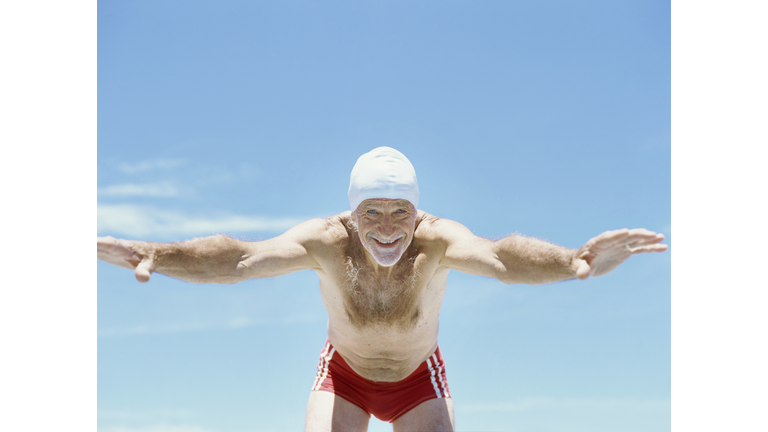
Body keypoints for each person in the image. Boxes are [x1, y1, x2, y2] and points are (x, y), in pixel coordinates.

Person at [97, 147, 667, 432]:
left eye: (401, 211)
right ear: (353, 211)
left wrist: (573, 260)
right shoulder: (325, 241)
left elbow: (498, 255)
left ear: (417, 211)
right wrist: (159, 255)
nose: (389, 227)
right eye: (374, 212)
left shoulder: (437, 240)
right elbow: (243, 257)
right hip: (343, 374)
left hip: (419, 380)